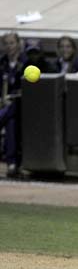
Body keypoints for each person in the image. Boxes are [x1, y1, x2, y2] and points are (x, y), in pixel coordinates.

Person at [0, 32, 27, 178]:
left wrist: (13, 97)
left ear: (18, 44)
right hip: (5, 106)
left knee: (12, 110)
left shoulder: (26, 62)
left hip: (22, 105)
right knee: (10, 121)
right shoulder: (1, 63)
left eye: (12, 43)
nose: (9, 46)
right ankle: (12, 163)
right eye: (6, 43)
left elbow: (31, 88)